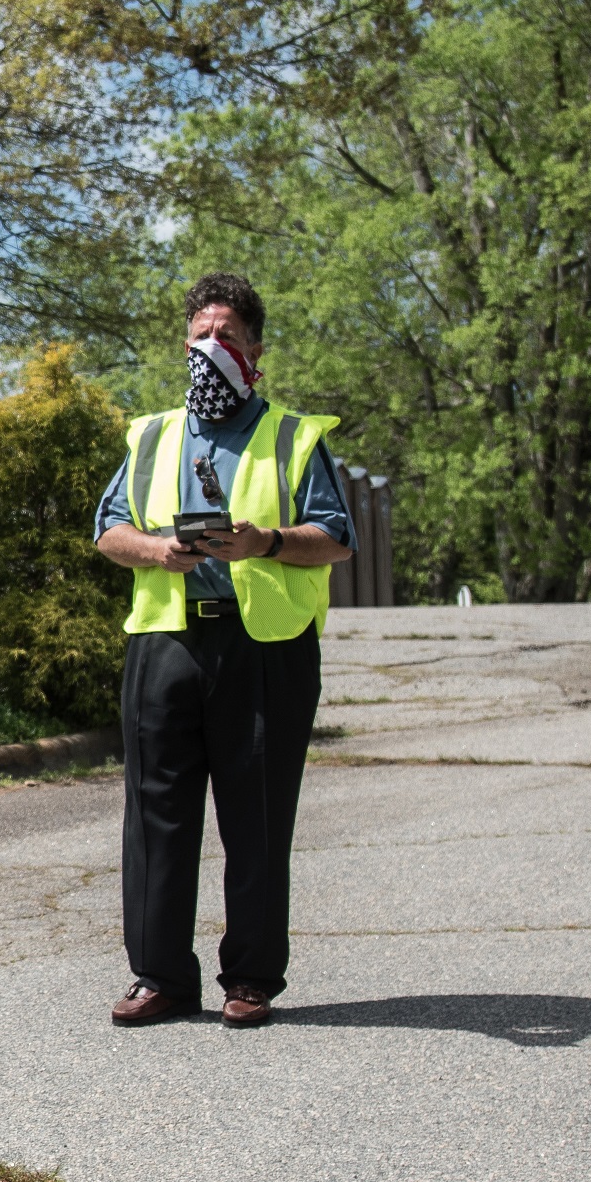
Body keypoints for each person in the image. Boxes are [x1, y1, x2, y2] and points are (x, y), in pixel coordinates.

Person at [92, 273, 357, 1029]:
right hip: (165, 641)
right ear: (184, 344)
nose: (212, 350)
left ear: (255, 353)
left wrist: (262, 541)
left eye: (228, 338)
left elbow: (336, 536)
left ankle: (249, 978)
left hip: (263, 648)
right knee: (155, 817)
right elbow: (107, 531)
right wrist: (153, 549)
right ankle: (160, 978)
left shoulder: (291, 436)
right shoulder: (150, 436)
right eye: (201, 338)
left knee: (257, 820)